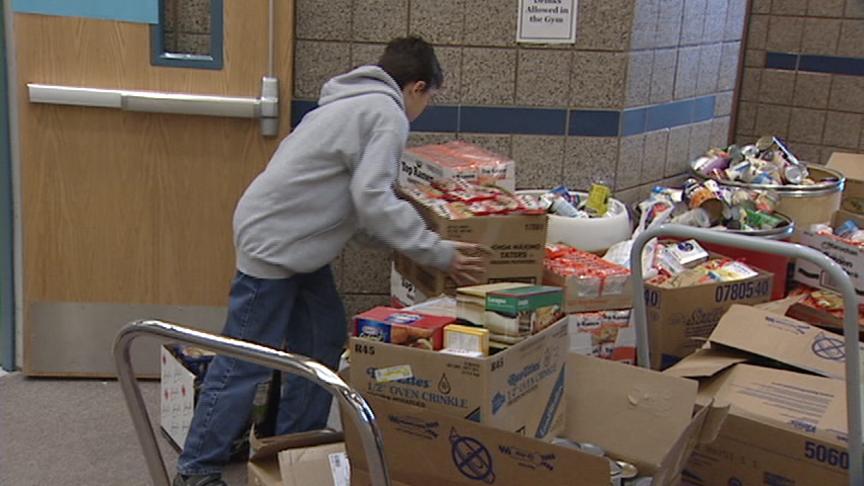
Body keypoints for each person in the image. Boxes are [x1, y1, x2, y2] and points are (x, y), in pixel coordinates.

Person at [173, 36, 487, 486]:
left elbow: (355, 207)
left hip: (296, 243)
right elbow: (372, 198)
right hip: (277, 245)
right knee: (244, 360)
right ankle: (195, 471)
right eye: (430, 98)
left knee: (319, 346)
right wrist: (439, 252)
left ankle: (293, 452)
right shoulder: (385, 114)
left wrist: (408, 241)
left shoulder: (349, 103)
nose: (425, 107)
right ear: (417, 87)